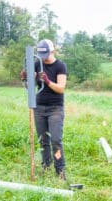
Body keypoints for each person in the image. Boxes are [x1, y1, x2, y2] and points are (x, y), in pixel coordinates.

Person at [20, 39, 67, 180]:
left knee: (56, 140)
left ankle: (60, 171)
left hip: (55, 108)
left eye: (46, 54)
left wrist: (47, 81)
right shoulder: (37, 64)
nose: (44, 58)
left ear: (52, 51)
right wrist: (25, 80)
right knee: (43, 140)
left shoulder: (60, 66)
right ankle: (45, 167)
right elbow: (30, 87)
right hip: (39, 107)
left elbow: (61, 88)